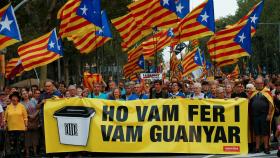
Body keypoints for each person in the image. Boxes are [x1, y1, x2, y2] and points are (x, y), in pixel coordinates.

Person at [249, 77, 274, 154]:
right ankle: (257, 147)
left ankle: (266, 147)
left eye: (260, 83)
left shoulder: (267, 92)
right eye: (257, 83)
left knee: (265, 132)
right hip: (255, 115)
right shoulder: (252, 92)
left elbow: (271, 104)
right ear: (255, 84)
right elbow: (247, 101)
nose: (259, 85)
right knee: (256, 132)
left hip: (264, 115)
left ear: (263, 84)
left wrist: (269, 114)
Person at [4, 92, 28, 157]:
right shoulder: (8, 107)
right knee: (12, 143)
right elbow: (5, 118)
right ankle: (13, 156)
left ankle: (21, 155)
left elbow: (25, 117)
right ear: (11, 98)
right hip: (11, 128)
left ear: (18, 98)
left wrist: (26, 125)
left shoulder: (22, 106)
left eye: (15, 97)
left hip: (21, 128)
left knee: (21, 143)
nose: (14, 98)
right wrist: (5, 124)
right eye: (12, 97)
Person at [21, 90, 39, 156]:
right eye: (23, 94)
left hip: (35, 120)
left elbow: (38, 108)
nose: (25, 95)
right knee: (27, 137)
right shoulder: (21, 103)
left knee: (35, 136)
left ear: (28, 94)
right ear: (21, 96)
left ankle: (35, 152)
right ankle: (27, 153)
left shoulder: (33, 101)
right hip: (26, 122)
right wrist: (29, 116)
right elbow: (22, 113)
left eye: (26, 93)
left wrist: (34, 115)